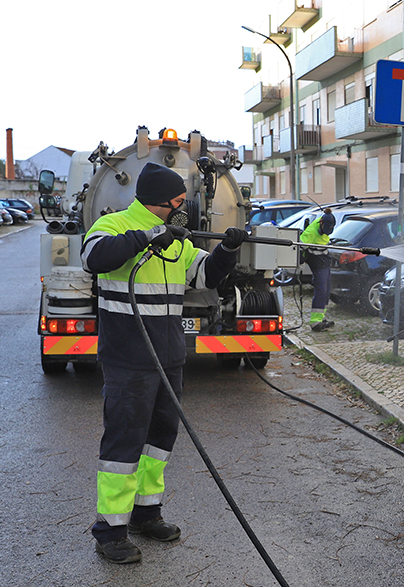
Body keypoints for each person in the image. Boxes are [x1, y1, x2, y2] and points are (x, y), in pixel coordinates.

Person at [81, 162, 247, 564]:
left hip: (169, 358)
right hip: (128, 358)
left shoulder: (178, 242)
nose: (182, 208)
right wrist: (151, 235)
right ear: (159, 203)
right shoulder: (114, 225)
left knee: (158, 441)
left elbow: (204, 277)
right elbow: (93, 258)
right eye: (177, 202)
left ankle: (145, 513)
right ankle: (110, 531)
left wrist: (227, 250)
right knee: (124, 444)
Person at [300, 208, 336, 332]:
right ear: (321, 222)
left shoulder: (326, 228)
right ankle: (315, 323)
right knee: (321, 290)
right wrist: (301, 259)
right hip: (316, 261)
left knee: (326, 291)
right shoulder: (311, 231)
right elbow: (299, 246)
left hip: (324, 260)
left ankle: (321, 318)